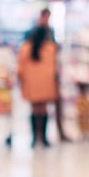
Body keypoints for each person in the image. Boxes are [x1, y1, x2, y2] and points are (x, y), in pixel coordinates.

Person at [17, 9, 61, 148]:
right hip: (46, 83)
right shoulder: (49, 48)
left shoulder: (27, 48)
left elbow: (21, 66)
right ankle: (43, 137)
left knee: (35, 109)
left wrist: (22, 79)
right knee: (43, 109)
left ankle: (35, 138)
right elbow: (54, 64)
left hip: (32, 83)